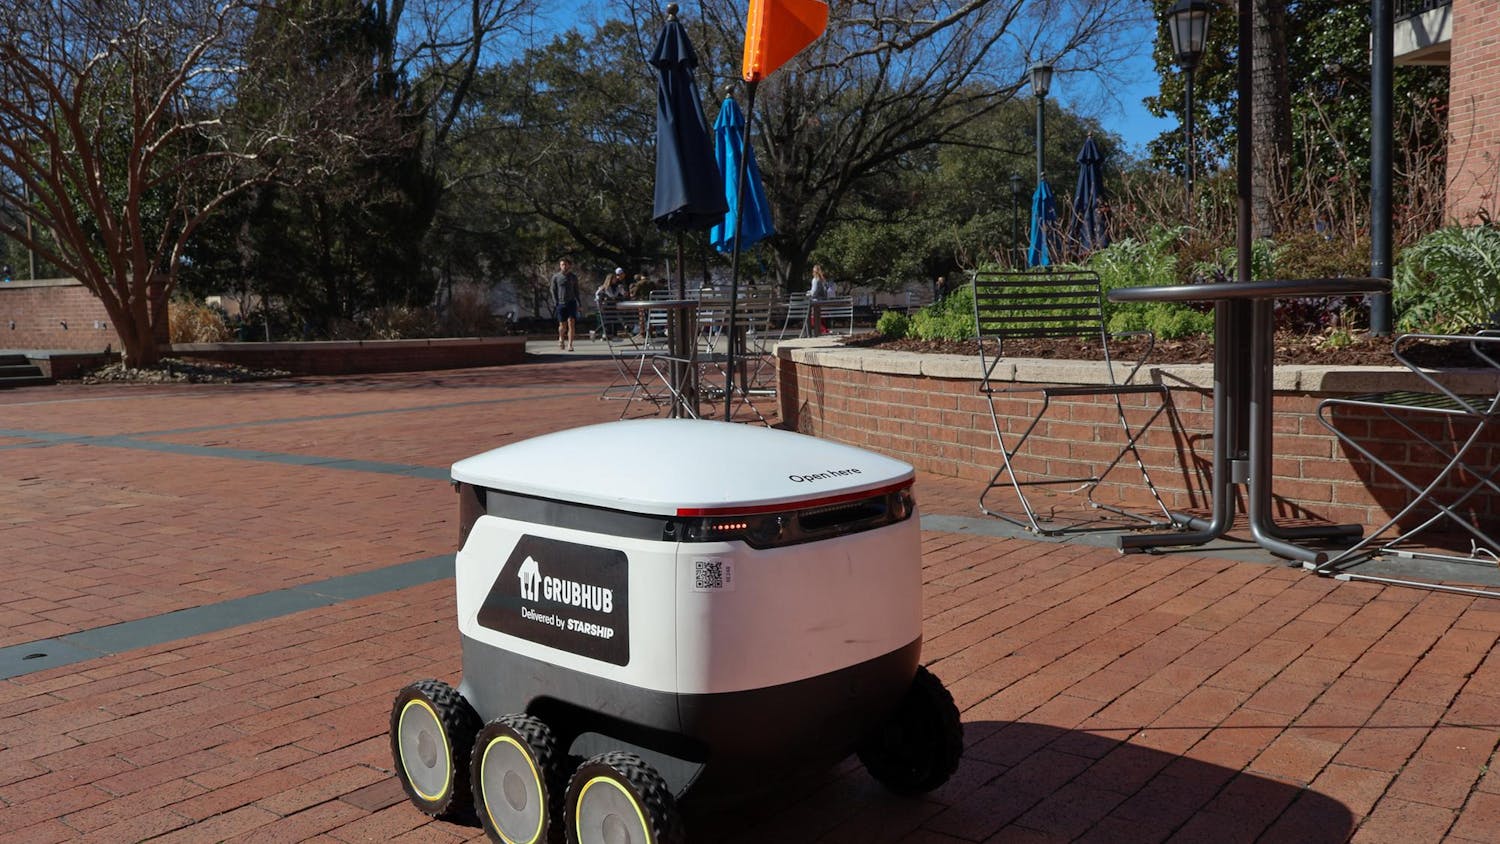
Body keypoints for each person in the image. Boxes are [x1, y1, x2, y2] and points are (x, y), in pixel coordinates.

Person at [551, 257, 580, 351]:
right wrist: (556, 302)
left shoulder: (573, 277)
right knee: (562, 325)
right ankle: (561, 338)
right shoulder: (556, 277)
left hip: (571, 302)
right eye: (562, 264)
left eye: (565, 264)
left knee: (571, 322)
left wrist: (579, 303)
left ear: (569, 265)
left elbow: (576, 290)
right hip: (561, 303)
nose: (564, 266)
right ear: (560, 266)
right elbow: (552, 290)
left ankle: (570, 344)